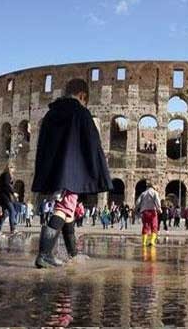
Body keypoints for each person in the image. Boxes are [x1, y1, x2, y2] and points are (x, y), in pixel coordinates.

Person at [32, 78, 112, 269]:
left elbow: (42, 145)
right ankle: (44, 254)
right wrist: (98, 169)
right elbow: (93, 144)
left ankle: (73, 253)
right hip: (72, 170)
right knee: (64, 208)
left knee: (68, 211)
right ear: (82, 96)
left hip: (55, 169)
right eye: (86, 101)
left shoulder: (51, 114)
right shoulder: (80, 113)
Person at [0, 164, 19, 237]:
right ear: (10, 168)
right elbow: (6, 184)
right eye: (13, 168)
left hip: (2, 196)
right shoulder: (7, 174)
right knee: (12, 211)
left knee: (5, 214)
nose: (13, 170)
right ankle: (13, 229)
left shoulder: (3, 175)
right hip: (5, 197)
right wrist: (13, 193)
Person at [135, 181, 161, 246]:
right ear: (153, 187)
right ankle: (152, 241)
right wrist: (159, 208)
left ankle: (144, 242)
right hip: (152, 211)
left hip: (144, 212)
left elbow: (137, 202)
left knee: (145, 226)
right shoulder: (155, 193)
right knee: (154, 226)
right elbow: (157, 201)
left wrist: (136, 209)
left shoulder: (143, 193)